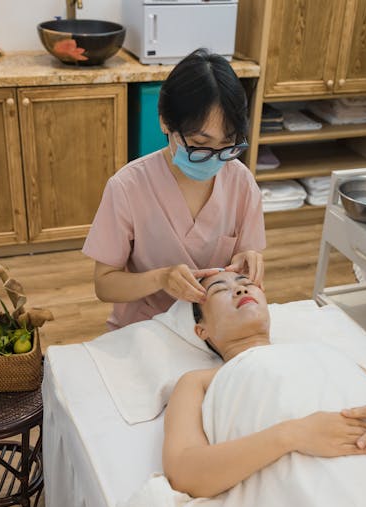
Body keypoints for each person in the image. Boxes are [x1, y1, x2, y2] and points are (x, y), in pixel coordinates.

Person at [163, 271, 366, 498]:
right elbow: (184, 473)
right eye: (219, 289)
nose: (240, 289)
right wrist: (294, 434)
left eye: (247, 283)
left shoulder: (323, 351)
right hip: (317, 492)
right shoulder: (200, 381)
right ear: (202, 330)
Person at [82, 48, 265, 329]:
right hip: (145, 327)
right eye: (200, 145)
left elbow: (247, 259)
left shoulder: (240, 182)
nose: (214, 158)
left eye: (227, 145)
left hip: (215, 327)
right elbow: (104, 285)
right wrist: (160, 278)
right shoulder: (128, 187)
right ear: (165, 122)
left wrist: (248, 261)